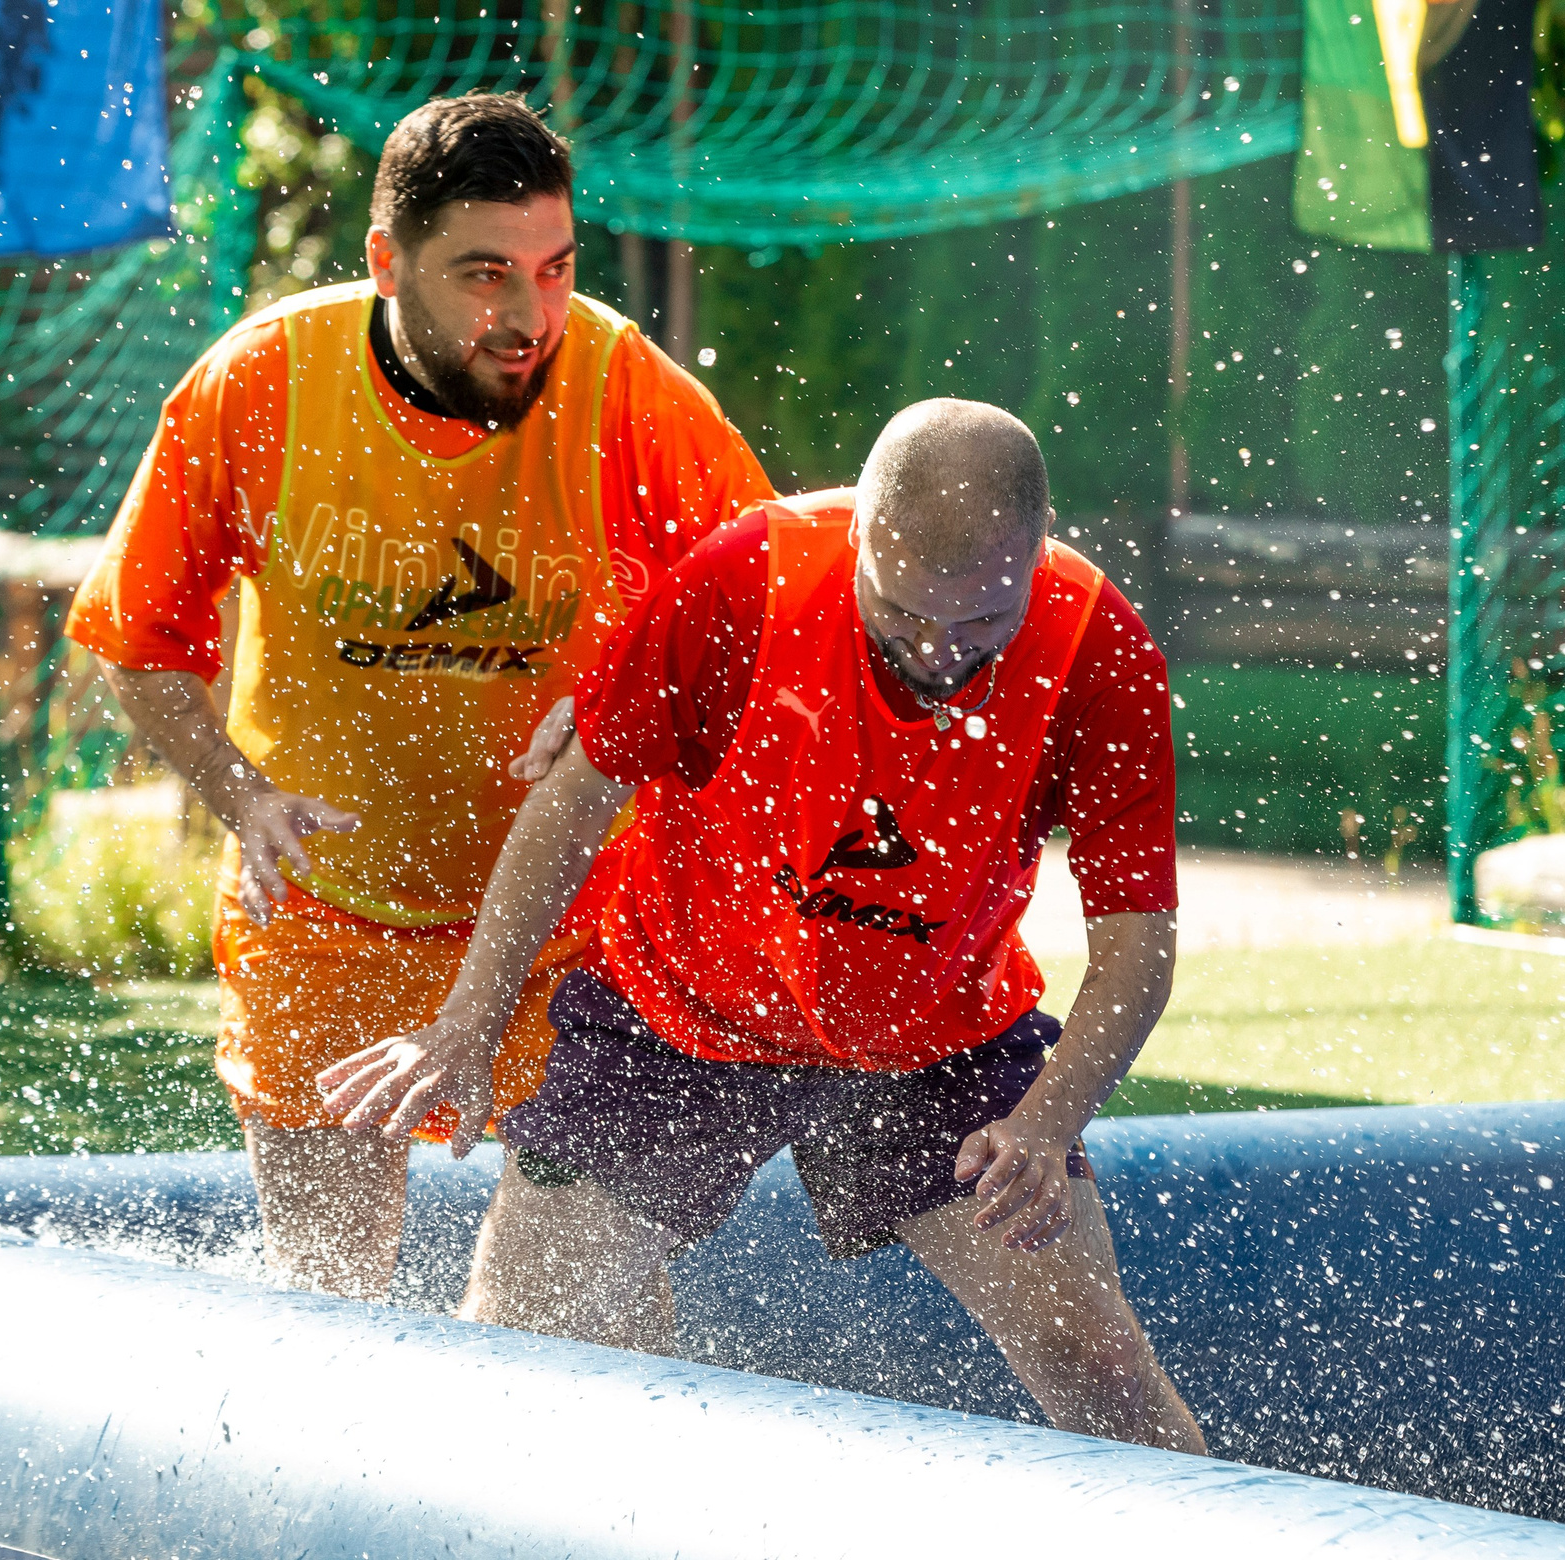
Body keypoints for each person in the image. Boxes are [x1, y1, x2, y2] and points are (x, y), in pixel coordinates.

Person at [319, 399, 1209, 1452]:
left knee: (1098, 1362)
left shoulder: (1094, 647)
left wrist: (1050, 1120)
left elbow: (1136, 943)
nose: (935, 655)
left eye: (978, 626)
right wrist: (467, 1021)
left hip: (937, 1043)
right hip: (672, 1016)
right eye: (901, 615)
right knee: (517, 1347)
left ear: (1033, 554)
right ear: (862, 538)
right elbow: (573, 802)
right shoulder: (746, 579)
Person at [65, 94, 774, 1302]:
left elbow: (766, 602)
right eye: (484, 275)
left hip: (576, 924)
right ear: (386, 260)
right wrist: (240, 796)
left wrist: (627, 702)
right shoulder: (263, 385)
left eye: (554, 271)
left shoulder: (621, 392)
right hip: (324, 908)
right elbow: (138, 637)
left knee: (570, 1304)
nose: (529, 318)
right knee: (327, 1294)